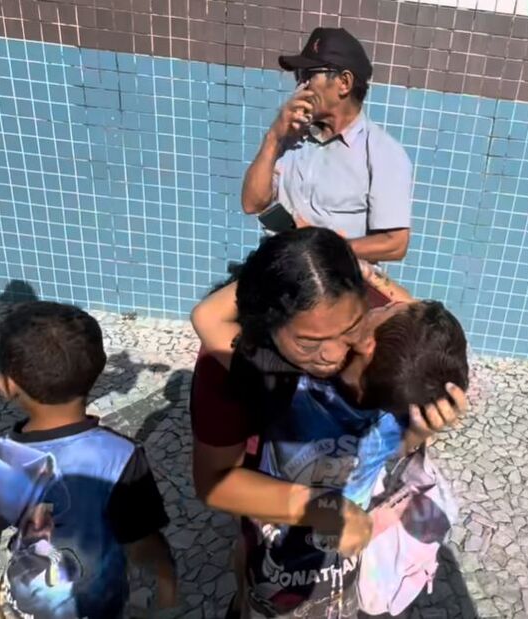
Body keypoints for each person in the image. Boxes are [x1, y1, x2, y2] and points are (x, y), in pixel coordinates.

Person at [190, 228, 468, 616]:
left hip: (332, 546)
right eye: (308, 342)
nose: (335, 355)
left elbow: (417, 322)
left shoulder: (371, 346)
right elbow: (218, 483)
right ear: (267, 322)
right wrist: (300, 261)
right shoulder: (270, 374)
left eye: (352, 328)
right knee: (256, 567)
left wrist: (419, 429)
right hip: (282, 524)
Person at [0, 301, 179, 619]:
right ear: (98, 370)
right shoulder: (121, 457)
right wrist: (166, 585)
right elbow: (143, 542)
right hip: (103, 606)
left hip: (27, 608)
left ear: (6, 385)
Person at [241, 27, 413, 263]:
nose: (301, 86)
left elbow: (395, 244)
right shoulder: (289, 135)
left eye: (308, 74)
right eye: (298, 76)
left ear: (344, 82)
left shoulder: (383, 153)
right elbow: (252, 203)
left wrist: (321, 248)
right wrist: (273, 136)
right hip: (278, 271)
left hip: (335, 286)